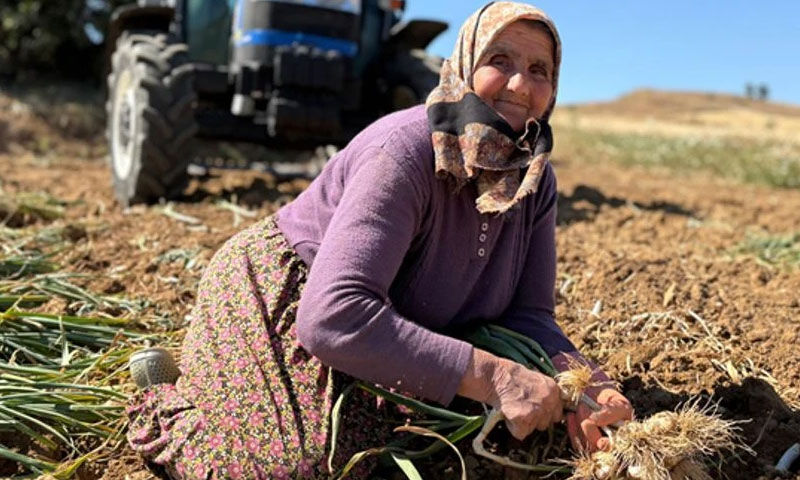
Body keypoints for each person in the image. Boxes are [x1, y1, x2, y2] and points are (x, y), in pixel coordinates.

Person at [126, 2, 633, 479]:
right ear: (464, 65)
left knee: (397, 446)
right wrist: (496, 377)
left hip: (386, 322)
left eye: (540, 70)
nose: (521, 84)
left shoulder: (534, 180)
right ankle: (164, 399)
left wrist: (584, 380)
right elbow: (332, 315)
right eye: (499, 61)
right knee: (303, 462)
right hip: (290, 293)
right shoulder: (405, 152)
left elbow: (529, 317)